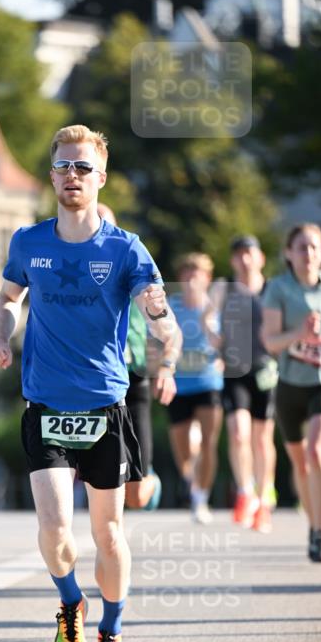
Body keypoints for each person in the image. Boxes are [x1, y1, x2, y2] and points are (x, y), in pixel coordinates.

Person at [0, 124, 180, 642]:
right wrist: (2, 334)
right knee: (53, 529)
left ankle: (112, 636)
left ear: (100, 178)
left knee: (108, 534)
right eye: (64, 166)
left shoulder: (125, 249)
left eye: (83, 168)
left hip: (104, 408)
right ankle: (71, 603)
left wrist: (165, 336)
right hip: (45, 404)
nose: (73, 176)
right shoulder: (28, 242)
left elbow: (158, 311)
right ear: (52, 175)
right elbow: (8, 298)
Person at [98, 203, 179, 510]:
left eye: (107, 229)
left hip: (133, 377)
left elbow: (172, 329)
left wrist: (167, 367)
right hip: (91, 380)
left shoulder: (134, 269)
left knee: (137, 497)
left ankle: (149, 479)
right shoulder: (74, 273)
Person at [261, 223, 321, 562]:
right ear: (289, 253)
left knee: (317, 451)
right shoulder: (279, 290)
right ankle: (312, 524)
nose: (308, 253)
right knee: (301, 464)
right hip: (288, 385)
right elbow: (270, 342)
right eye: (301, 247)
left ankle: (320, 530)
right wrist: (299, 332)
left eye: (314, 247)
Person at [210, 235, 277, 532]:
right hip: (234, 369)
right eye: (239, 254)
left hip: (266, 371)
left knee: (262, 440)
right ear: (234, 259)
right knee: (238, 433)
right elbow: (206, 318)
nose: (245, 259)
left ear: (261, 258)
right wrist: (216, 342)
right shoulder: (224, 289)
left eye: (250, 253)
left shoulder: (273, 289)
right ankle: (245, 492)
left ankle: (264, 500)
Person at [167, 252, 224, 524]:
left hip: (208, 381)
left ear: (207, 278)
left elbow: (221, 344)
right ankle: (190, 480)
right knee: (183, 448)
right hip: (178, 384)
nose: (192, 278)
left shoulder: (214, 309)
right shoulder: (171, 306)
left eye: (197, 273)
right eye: (187, 273)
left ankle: (201, 498)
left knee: (208, 443)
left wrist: (210, 323)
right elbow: (159, 338)